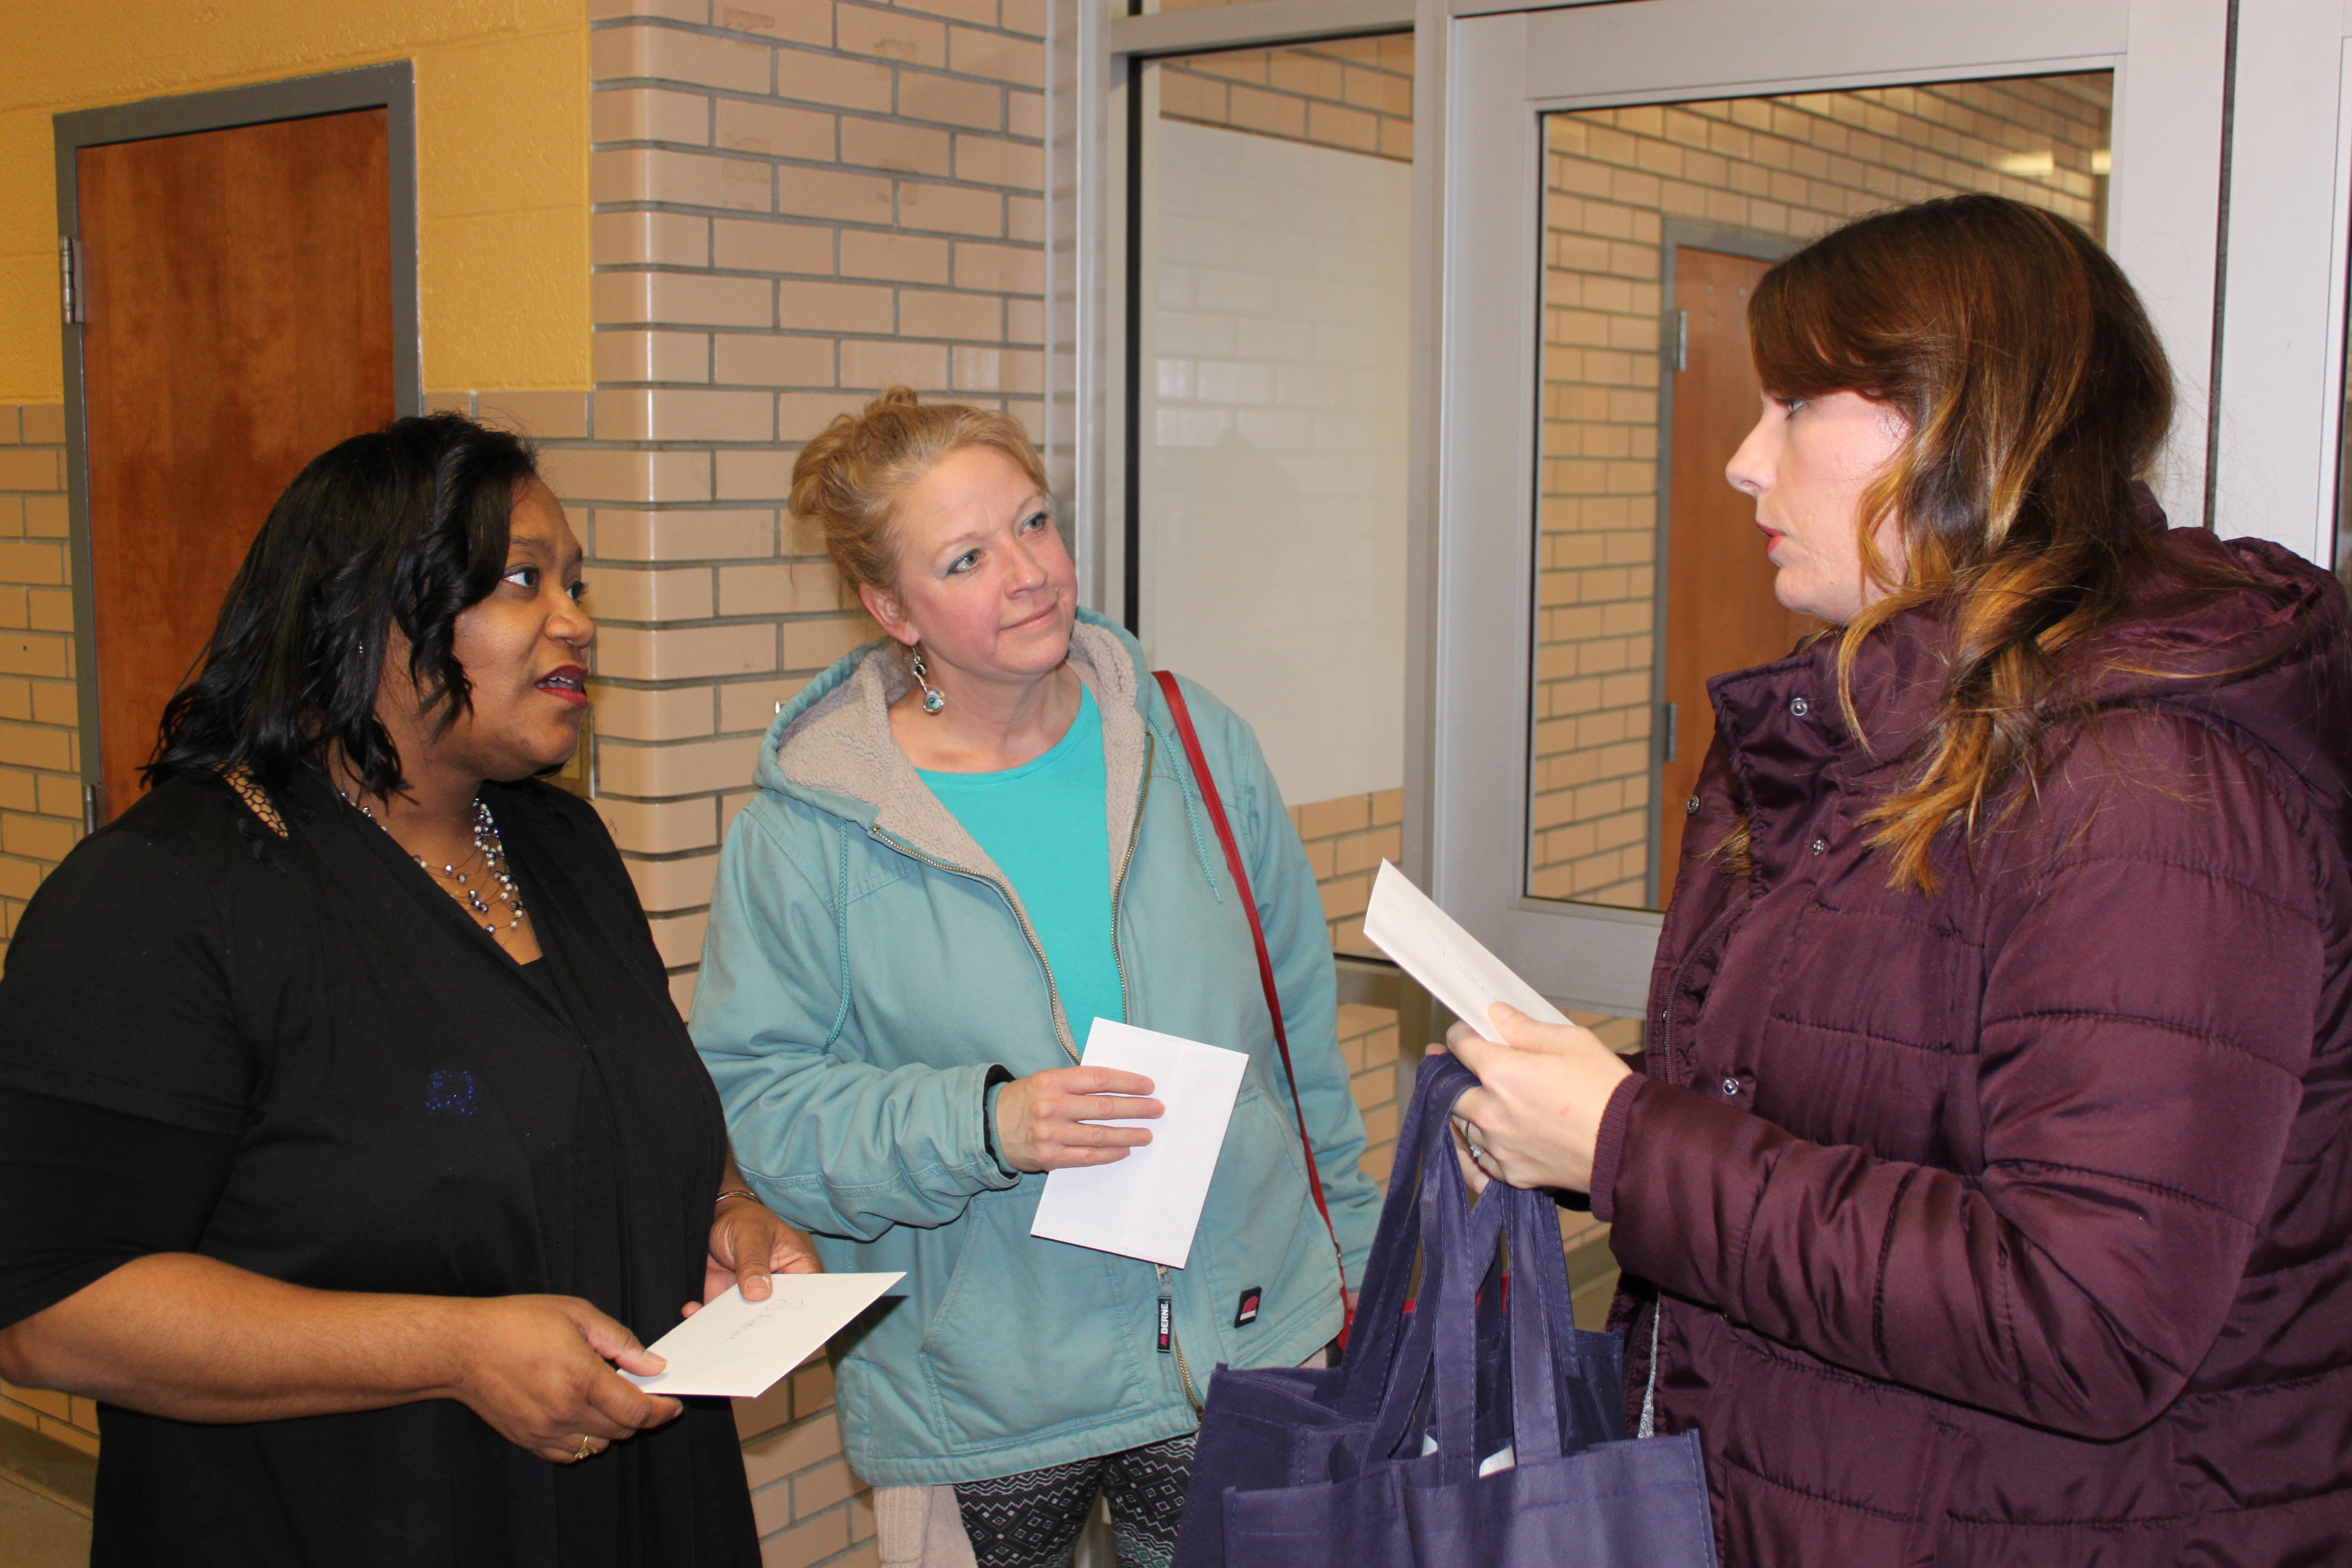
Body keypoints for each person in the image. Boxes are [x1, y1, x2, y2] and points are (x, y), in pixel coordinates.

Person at [1440, 194, 2352, 1565]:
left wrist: (1629, 1145)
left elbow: (2086, 1308)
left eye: (1799, 404)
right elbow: (1857, 1106)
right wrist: (1583, 1125)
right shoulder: (1880, 733)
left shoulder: (2150, 790)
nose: (1747, 463)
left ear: (1967, 428)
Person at [0, 414, 818, 1567]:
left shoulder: (560, 844)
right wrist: (451, 1349)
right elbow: (51, 1312)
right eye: (524, 579)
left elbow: (628, 1106)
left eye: (577, 584)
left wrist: (725, 1216)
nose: (576, 620)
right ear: (369, 609)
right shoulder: (164, 896)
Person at [690, 389, 1380, 1568]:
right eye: (966, 556)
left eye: (1035, 523)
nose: (1029, 573)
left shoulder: (1193, 744)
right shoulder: (812, 829)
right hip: (979, 1396)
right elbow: (762, 1111)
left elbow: (1295, 1037)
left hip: (1246, 1343)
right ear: (888, 607)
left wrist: (1357, 1281)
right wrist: (987, 1120)